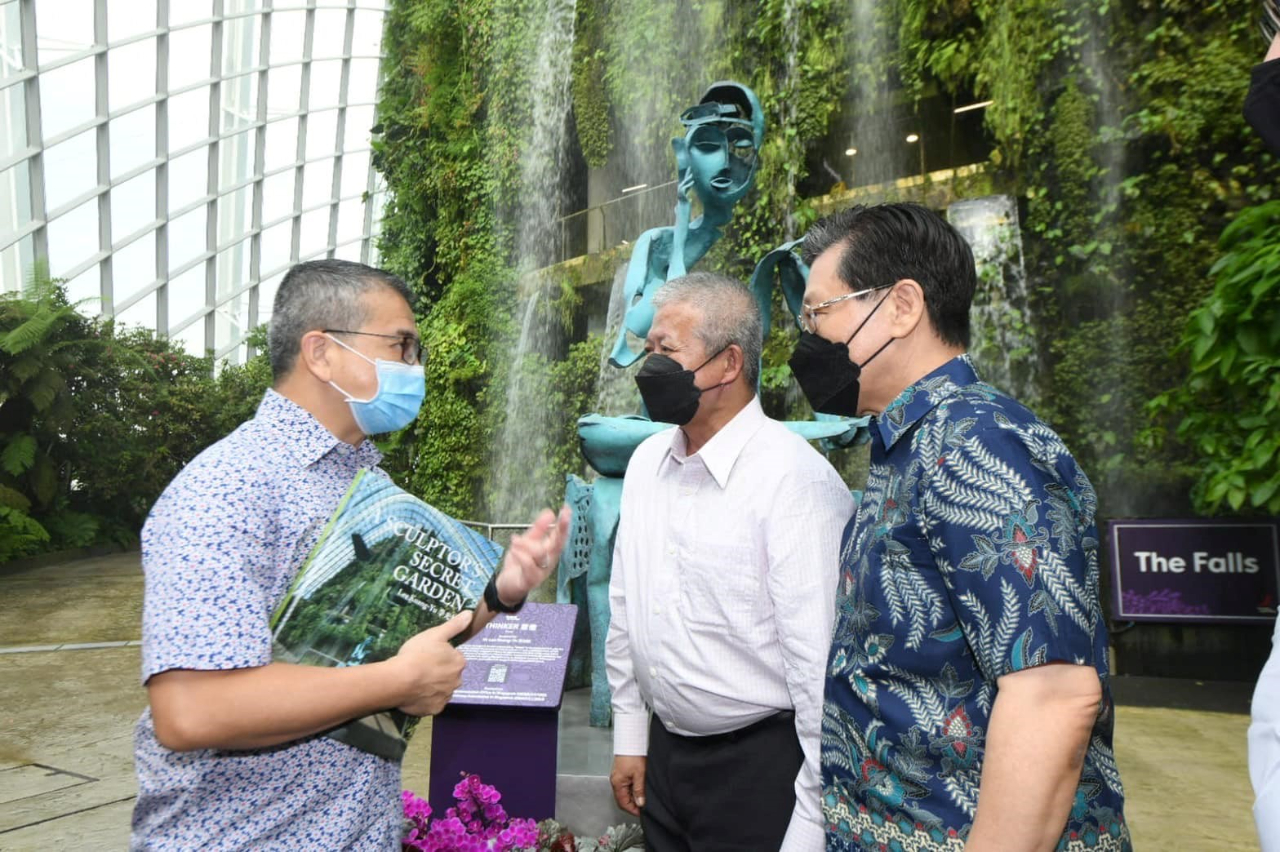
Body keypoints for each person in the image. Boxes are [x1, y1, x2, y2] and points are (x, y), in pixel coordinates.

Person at [132, 259, 570, 850]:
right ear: (322, 353)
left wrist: (503, 591)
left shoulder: (365, 487)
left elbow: (414, 632)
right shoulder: (227, 488)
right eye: (401, 345)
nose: (415, 368)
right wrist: (394, 681)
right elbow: (192, 710)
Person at [789, 204, 1130, 850]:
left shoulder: (978, 444)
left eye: (818, 312)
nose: (807, 337)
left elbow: (1053, 695)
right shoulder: (910, 445)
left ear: (900, 306)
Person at [606, 271, 855, 851]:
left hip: (760, 769)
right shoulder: (646, 464)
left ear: (728, 364)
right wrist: (631, 735)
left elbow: (819, 670)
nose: (650, 368)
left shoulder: (795, 481)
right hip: (665, 761)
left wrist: (811, 824)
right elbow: (626, 607)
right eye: (649, 350)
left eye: (668, 351)